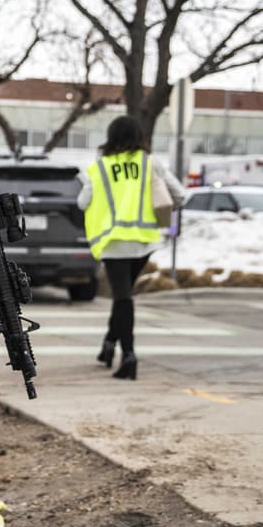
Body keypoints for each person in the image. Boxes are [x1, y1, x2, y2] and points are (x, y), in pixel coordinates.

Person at [79, 115, 186, 380]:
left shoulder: (100, 168)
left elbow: (82, 202)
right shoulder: (150, 164)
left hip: (114, 243)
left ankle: (128, 356)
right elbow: (180, 195)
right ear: (139, 136)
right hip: (143, 243)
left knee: (122, 298)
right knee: (123, 298)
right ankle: (108, 345)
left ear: (111, 137)